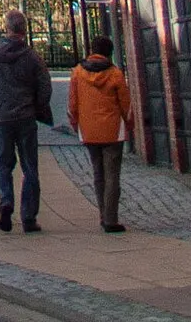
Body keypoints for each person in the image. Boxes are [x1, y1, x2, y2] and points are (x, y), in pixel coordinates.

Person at [0, 7, 52, 233]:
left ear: (5, 28)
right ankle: (28, 217)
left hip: (0, 117)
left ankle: (6, 201)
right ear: (25, 31)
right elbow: (45, 86)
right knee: (30, 167)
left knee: (3, 165)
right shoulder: (32, 56)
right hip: (25, 116)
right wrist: (39, 107)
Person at [68, 34, 135, 233]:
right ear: (109, 53)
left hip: (89, 130)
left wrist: (76, 124)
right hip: (112, 130)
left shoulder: (78, 72)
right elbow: (125, 104)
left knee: (98, 173)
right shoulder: (115, 74)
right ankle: (111, 219)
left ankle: (102, 214)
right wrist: (129, 124)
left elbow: (72, 104)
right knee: (112, 174)